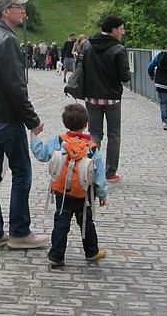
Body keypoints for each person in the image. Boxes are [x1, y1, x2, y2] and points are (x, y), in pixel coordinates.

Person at [0, 0, 48, 250]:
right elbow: (16, 88)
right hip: (6, 120)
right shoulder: (6, 40)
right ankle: (19, 233)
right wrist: (32, 121)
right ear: (6, 11)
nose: (22, 11)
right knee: (22, 174)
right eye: (18, 7)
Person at [30, 103, 108, 267]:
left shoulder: (58, 141)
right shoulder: (91, 148)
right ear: (86, 124)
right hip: (84, 191)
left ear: (65, 124)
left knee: (61, 221)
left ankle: (56, 255)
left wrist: (34, 136)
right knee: (86, 221)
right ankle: (91, 251)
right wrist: (101, 194)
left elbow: (42, 154)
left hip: (61, 191)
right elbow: (99, 172)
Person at [81, 15, 131, 182]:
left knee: (95, 134)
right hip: (112, 98)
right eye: (121, 29)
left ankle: (91, 167)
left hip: (91, 96)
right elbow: (125, 77)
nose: (123, 32)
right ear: (113, 30)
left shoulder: (87, 44)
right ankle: (110, 172)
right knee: (114, 135)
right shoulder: (118, 49)